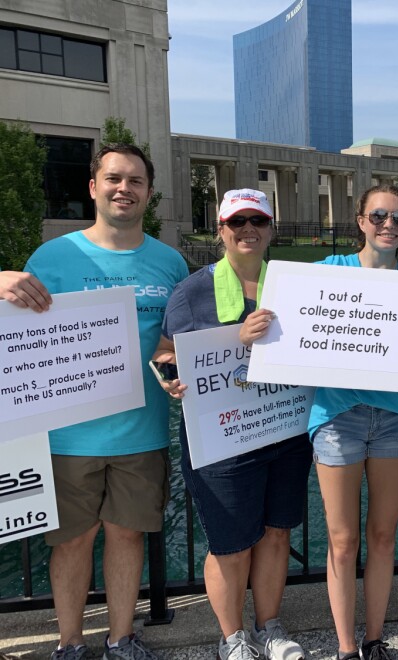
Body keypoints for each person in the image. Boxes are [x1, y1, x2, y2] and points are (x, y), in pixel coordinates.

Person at [241, 184, 398, 660]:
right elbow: (279, 320)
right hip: (337, 419)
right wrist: (252, 329)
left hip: (397, 420)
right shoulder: (325, 273)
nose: (388, 225)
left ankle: (374, 638)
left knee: (382, 537)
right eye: (379, 215)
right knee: (342, 540)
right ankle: (344, 647)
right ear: (360, 220)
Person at [24, 144, 189, 660]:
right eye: (114, 178)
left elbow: (174, 343)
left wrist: (177, 373)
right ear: (94, 188)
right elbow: (16, 338)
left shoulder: (170, 262)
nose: (125, 188)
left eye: (136, 180)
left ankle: (121, 638)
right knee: (71, 541)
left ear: (148, 192)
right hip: (68, 433)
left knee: (126, 536)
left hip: (142, 431)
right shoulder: (52, 258)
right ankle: (69, 643)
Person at [152, 189, 312, 660]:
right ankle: (232, 638)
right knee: (232, 543)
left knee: (277, 532)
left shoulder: (294, 284)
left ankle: (270, 627)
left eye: (257, 221)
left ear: (270, 230)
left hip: (284, 430)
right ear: (221, 229)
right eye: (237, 222)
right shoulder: (193, 289)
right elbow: (165, 352)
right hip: (222, 439)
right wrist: (170, 378)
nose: (248, 230)